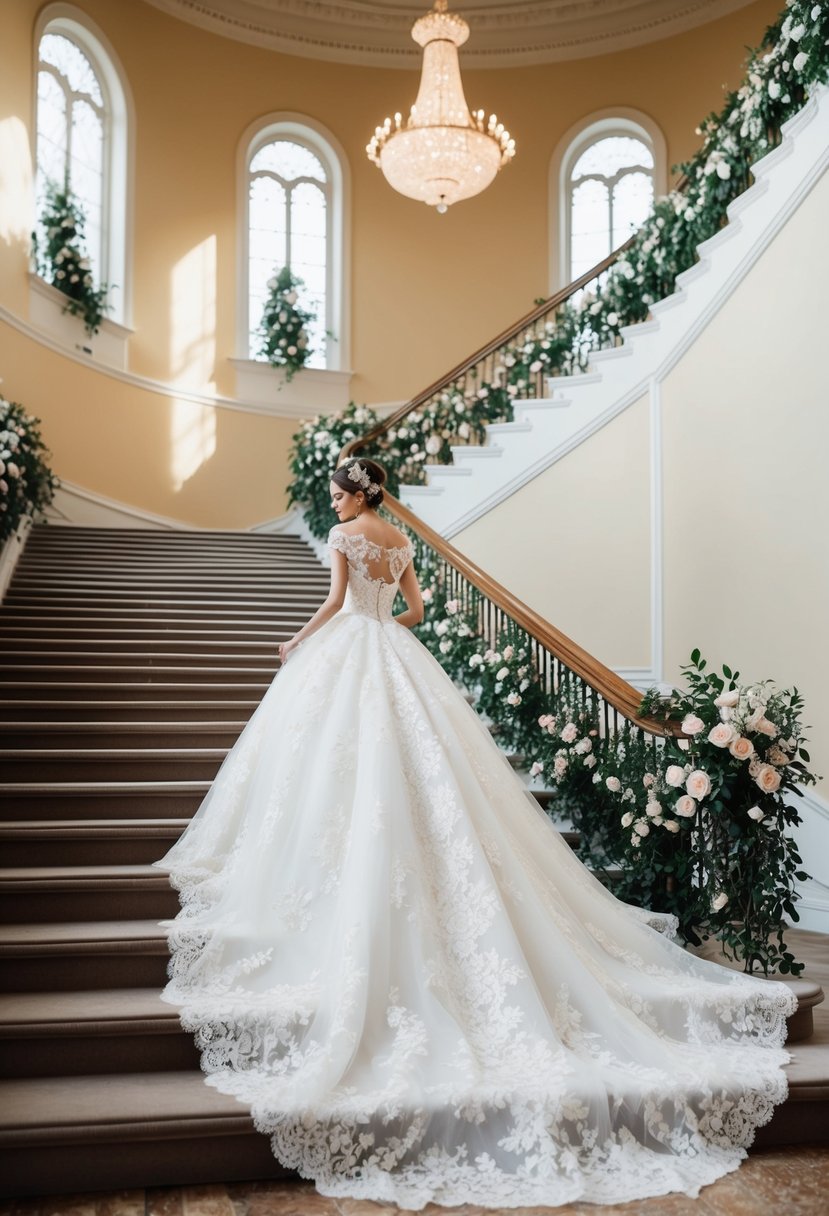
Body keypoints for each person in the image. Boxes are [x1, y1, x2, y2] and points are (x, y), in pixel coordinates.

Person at [155, 456, 796, 1211]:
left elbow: (334, 601)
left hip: (351, 652)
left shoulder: (343, 533)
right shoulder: (397, 540)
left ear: (359, 492)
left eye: (338, 490)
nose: (331, 499)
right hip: (397, 657)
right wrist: (382, 630)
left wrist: (297, 642)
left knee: (336, 768)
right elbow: (416, 612)